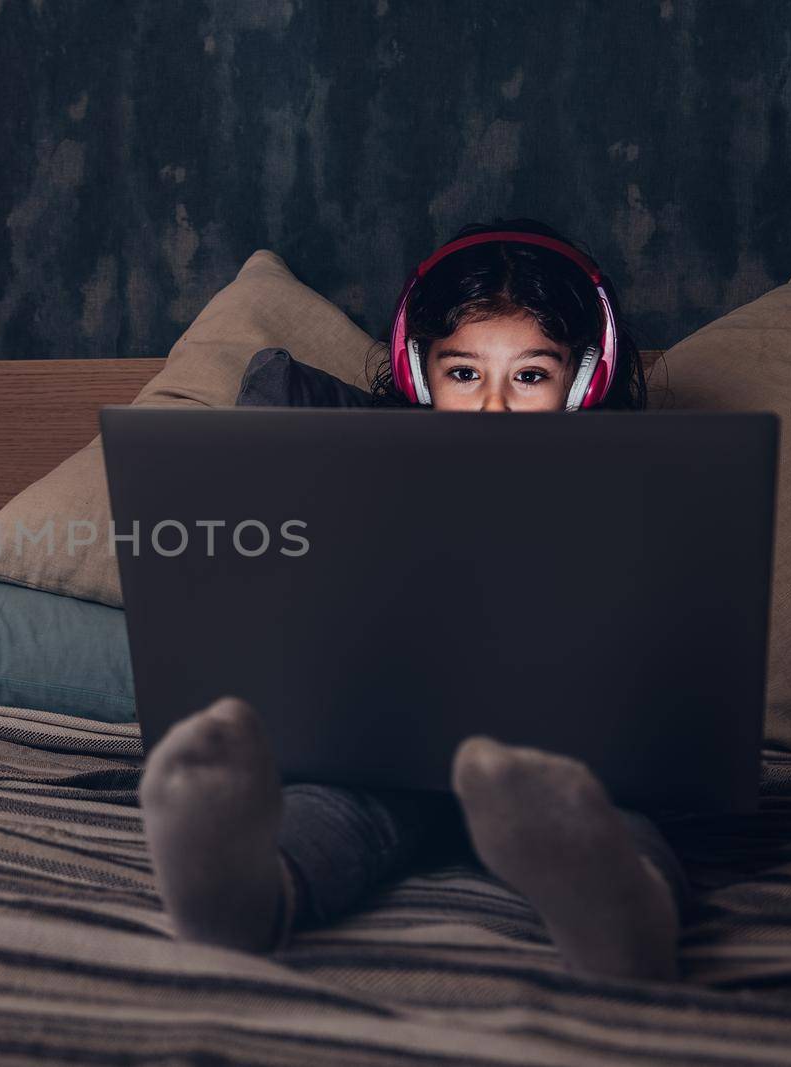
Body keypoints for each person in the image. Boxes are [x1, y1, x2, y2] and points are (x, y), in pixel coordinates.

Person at [141, 219, 685, 981]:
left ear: (584, 379)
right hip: (383, 752)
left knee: (619, 818)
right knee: (336, 808)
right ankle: (240, 892)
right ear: (422, 375)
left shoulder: (651, 486)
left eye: (530, 375)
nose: (493, 404)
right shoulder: (345, 476)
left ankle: (625, 912)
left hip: (555, 763)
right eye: (465, 374)